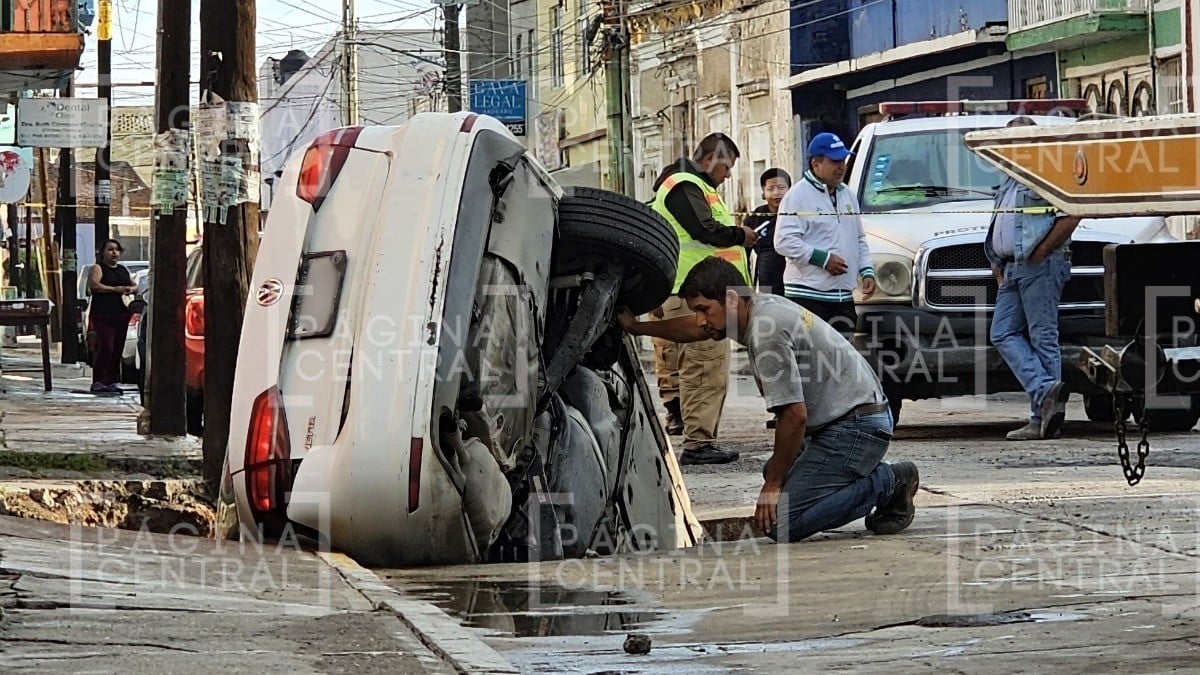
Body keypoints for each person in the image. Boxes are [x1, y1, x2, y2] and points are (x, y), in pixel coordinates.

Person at [619, 257, 919, 541]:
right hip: (848, 420)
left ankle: (889, 481)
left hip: (856, 427)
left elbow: (793, 416)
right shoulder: (756, 308)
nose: (699, 320)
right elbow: (692, 329)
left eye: (704, 309)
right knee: (774, 469)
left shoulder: (766, 332)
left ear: (732, 300)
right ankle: (859, 475)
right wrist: (636, 327)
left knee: (782, 522)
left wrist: (772, 486)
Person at [647, 133, 759, 465]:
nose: (727, 176)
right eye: (727, 167)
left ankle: (693, 430)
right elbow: (705, 231)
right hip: (696, 295)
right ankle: (699, 443)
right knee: (705, 366)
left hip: (687, 291)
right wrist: (742, 234)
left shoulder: (692, 187)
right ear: (711, 158)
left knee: (693, 366)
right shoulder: (684, 184)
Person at [985, 117, 1081, 441]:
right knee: (1002, 332)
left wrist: (1042, 251)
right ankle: (1045, 392)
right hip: (1011, 268)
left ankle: (1044, 419)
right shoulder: (1011, 178)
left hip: (1039, 265)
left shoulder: (1047, 173)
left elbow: (1073, 212)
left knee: (1043, 336)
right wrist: (997, 260)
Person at [774, 132, 875, 338]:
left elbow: (858, 238)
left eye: (843, 160)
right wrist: (823, 259)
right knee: (811, 362)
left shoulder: (847, 194)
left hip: (843, 298)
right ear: (815, 163)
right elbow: (783, 241)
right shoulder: (797, 196)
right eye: (834, 161)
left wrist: (866, 271)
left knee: (840, 361)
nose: (841, 166)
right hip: (808, 297)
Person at [87, 238, 136, 394]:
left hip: (121, 314)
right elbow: (94, 285)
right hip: (102, 315)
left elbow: (134, 285)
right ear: (102, 253)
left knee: (117, 348)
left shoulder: (123, 269)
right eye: (110, 249)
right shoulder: (98, 268)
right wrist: (114, 289)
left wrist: (130, 289)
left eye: (116, 249)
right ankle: (99, 380)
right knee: (105, 346)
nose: (114, 252)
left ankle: (112, 380)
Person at [743, 168, 792, 296]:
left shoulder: (799, 214)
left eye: (781, 187)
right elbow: (744, 254)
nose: (776, 193)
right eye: (771, 189)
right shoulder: (755, 218)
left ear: (790, 190)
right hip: (768, 285)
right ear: (763, 193)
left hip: (796, 284)